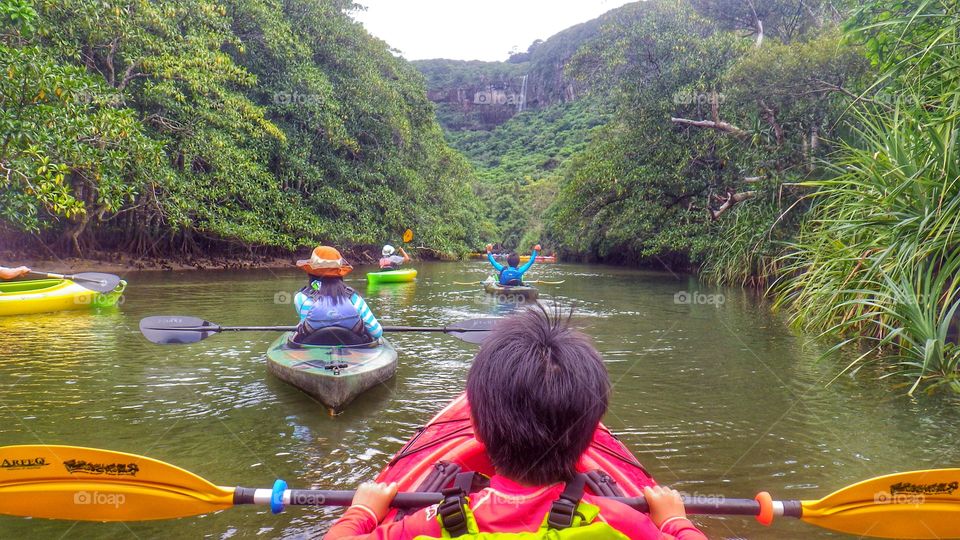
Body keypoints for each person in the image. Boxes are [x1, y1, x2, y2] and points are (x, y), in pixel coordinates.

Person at [324, 307, 708, 540]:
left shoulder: (427, 525)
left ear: (476, 427)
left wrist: (364, 511)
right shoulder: (622, 522)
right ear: (591, 436)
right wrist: (675, 521)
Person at [290, 246, 382, 346]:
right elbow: (377, 332)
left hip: (314, 350)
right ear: (340, 274)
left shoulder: (301, 298)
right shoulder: (354, 298)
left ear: (311, 273)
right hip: (353, 351)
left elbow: (305, 326)